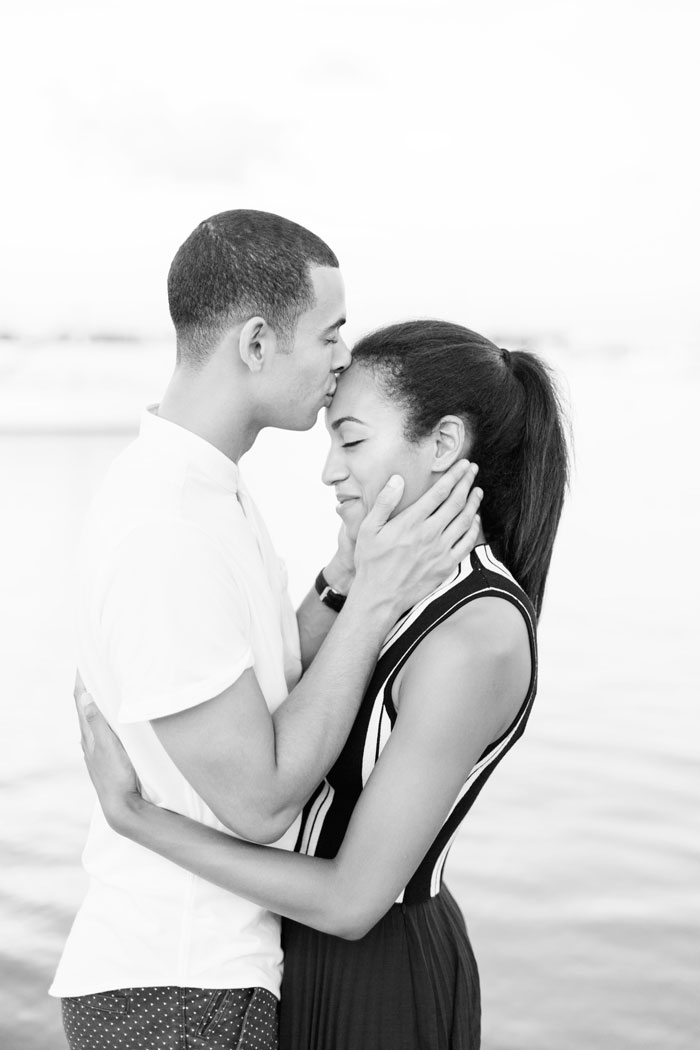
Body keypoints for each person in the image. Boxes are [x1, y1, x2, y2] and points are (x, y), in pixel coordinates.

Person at [51, 213, 483, 1050]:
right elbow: (258, 800)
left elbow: (260, 687)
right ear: (256, 344)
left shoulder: (207, 492)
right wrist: (373, 603)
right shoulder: (164, 528)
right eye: (330, 335)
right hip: (177, 987)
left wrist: (341, 582)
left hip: (205, 973)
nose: (342, 361)